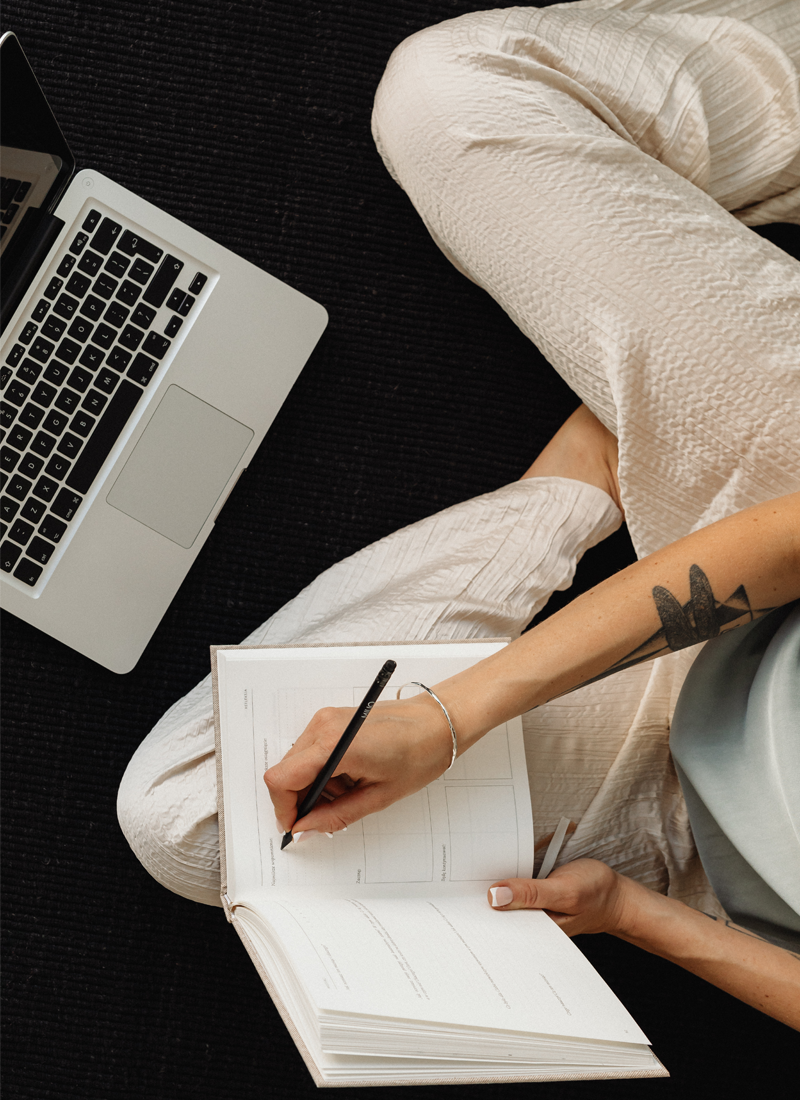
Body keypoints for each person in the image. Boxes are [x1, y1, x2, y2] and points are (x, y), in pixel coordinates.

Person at [117, 0, 800, 1028]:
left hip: (702, 829)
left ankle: (596, 464)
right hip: (781, 503)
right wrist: (449, 715)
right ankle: (622, 443)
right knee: (449, 95)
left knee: (188, 817)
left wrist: (636, 913)